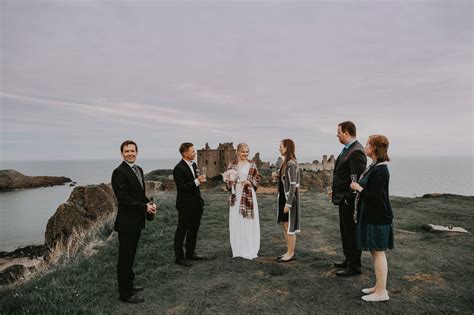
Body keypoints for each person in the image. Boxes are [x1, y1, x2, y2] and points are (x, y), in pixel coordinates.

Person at [111, 140, 157, 303]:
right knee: (125, 258)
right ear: (122, 153)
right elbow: (123, 199)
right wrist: (144, 207)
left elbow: (138, 195)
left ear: (137, 152)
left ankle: (129, 284)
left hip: (136, 221)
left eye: (132, 151)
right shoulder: (119, 172)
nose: (130, 153)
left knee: (131, 256)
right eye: (127, 151)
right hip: (126, 223)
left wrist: (148, 203)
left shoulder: (138, 169)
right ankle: (125, 294)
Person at [350, 135, 393, 302]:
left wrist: (358, 188)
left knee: (379, 253)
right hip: (374, 216)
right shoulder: (375, 166)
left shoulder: (380, 169)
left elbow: (375, 197)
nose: (365, 146)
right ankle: (378, 286)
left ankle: (382, 292)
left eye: (368, 144)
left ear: (374, 148)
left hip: (378, 217)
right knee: (376, 254)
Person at [329, 121, 367, 276]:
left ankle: (354, 266)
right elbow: (343, 175)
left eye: (339, 132)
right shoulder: (347, 149)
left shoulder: (356, 151)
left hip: (349, 201)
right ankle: (348, 259)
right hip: (342, 197)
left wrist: (346, 198)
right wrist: (335, 191)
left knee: (351, 232)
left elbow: (356, 180)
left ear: (346, 132)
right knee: (345, 231)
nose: (337, 135)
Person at [224, 143, 261, 259]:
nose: (245, 154)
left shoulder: (252, 165)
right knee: (236, 220)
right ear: (237, 152)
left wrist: (249, 182)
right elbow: (227, 183)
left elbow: (257, 179)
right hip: (236, 194)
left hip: (248, 194)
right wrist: (229, 181)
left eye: (247, 152)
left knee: (247, 221)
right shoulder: (232, 165)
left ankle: (249, 247)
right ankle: (238, 248)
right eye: (243, 151)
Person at [173, 142, 207, 267]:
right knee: (182, 231)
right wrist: (197, 181)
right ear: (184, 153)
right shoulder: (178, 168)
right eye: (192, 151)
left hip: (196, 204)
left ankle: (190, 253)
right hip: (185, 205)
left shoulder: (194, 165)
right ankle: (179, 257)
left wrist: (198, 181)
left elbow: (194, 184)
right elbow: (182, 188)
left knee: (194, 229)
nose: (195, 153)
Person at [275, 139, 300, 263]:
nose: (279, 148)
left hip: (288, 200)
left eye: (281, 147)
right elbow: (286, 182)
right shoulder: (285, 163)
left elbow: (293, 186)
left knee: (289, 227)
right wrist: (277, 176)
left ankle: (291, 253)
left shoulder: (292, 164)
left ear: (287, 148)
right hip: (282, 199)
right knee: (285, 226)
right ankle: (288, 251)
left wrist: (288, 204)